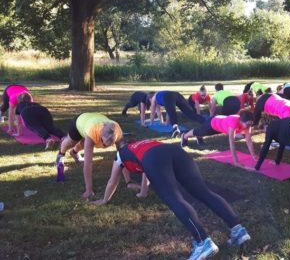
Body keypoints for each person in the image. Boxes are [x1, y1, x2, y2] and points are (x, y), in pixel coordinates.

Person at [92, 139, 251, 260]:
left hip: (155, 158)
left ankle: (202, 242)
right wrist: (142, 192)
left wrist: (105, 199)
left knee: (173, 198)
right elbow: (147, 171)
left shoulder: (120, 154)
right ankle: (238, 230)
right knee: (204, 192)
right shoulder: (143, 144)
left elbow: (113, 180)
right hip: (174, 150)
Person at [56, 112, 123, 199]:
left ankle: (74, 152)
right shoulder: (93, 133)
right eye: (103, 142)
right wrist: (89, 190)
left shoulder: (118, 133)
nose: (104, 146)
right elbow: (88, 164)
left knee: (86, 143)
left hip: (93, 120)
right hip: (80, 121)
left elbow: (122, 157)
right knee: (71, 142)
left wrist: (129, 182)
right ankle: (61, 154)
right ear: (101, 134)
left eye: (108, 145)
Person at [181, 110, 257, 166]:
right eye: (248, 124)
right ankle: (184, 136)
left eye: (251, 124)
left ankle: (198, 136)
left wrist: (253, 156)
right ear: (241, 121)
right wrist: (236, 162)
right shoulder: (234, 123)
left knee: (202, 133)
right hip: (213, 123)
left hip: (221, 127)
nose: (249, 126)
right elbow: (232, 143)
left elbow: (249, 140)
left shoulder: (247, 124)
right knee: (200, 132)